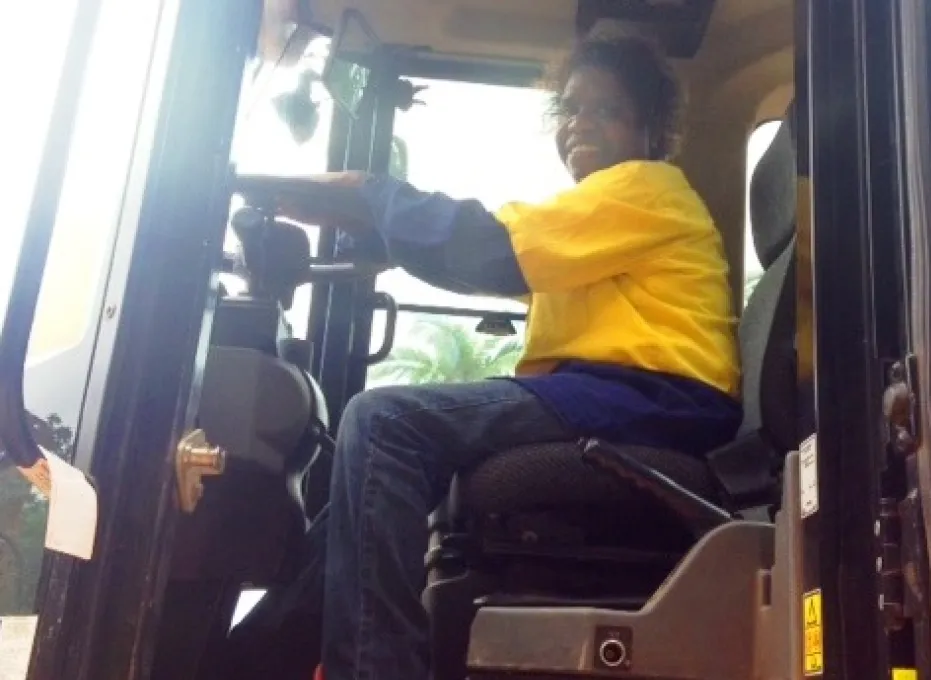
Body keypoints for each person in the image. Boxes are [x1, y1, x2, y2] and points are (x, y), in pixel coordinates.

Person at [238, 33, 742, 680]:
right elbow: (490, 252)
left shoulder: (644, 189)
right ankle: (249, 661)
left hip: (654, 400)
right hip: (622, 396)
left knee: (382, 424)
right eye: (569, 109)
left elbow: (491, 248)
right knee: (357, 488)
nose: (579, 125)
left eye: (605, 110)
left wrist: (372, 193)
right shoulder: (604, 212)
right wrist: (380, 234)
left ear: (648, 127)